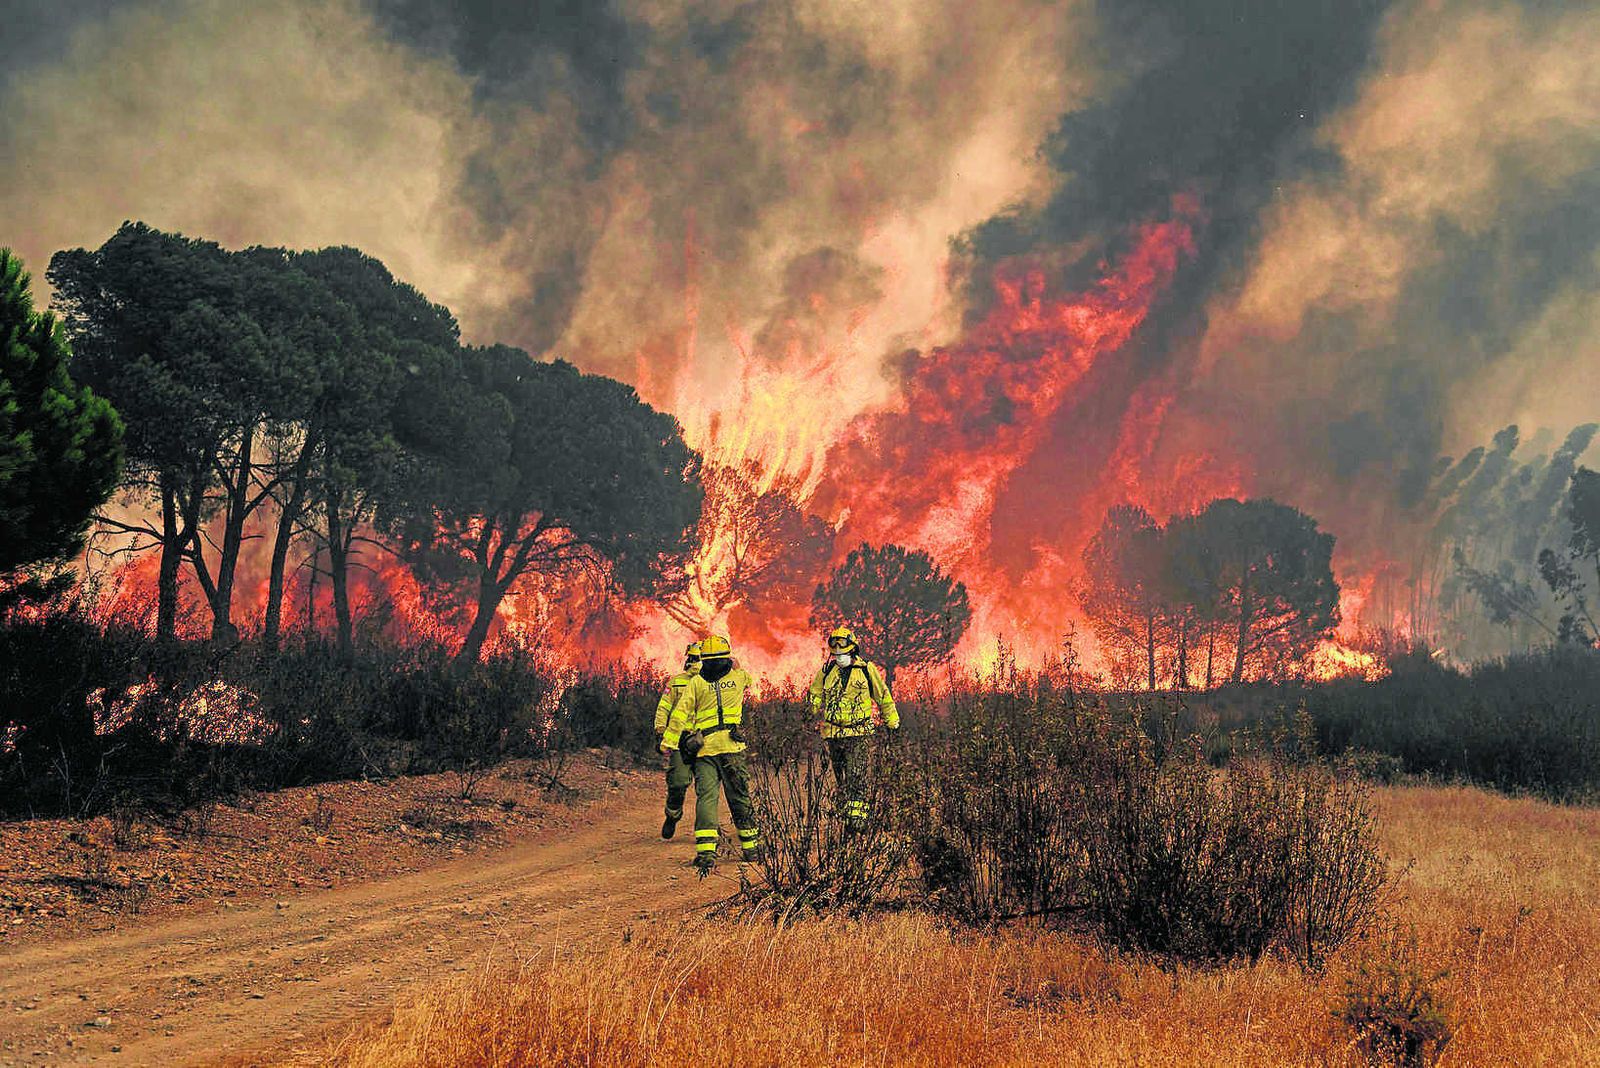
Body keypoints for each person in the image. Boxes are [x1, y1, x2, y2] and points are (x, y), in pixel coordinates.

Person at [661, 634, 761, 875]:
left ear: (703, 660)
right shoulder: (737, 678)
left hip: (705, 749)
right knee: (739, 796)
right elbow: (747, 676)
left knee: (706, 798)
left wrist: (669, 741)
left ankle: (706, 854)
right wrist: (734, 663)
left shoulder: (696, 683)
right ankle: (752, 848)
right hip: (732, 748)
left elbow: (679, 714)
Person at [807, 625, 898, 830]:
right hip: (833, 733)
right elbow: (815, 694)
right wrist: (809, 710)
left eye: (843, 648)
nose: (839, 653)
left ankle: (858, 822)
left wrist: (892, 721)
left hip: (859, 732)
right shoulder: (826, 671)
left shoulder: (866, 669)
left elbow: (883, 696)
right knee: (841, 777)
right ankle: (847, 815)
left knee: (857, 775)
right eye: (835, 648)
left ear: (853, 648)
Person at [654, 641, 702, 841]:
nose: (696, 663)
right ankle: (672, 816)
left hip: (705, 740)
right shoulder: (676, 682)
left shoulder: (713, 683)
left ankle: (705, 831)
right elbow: (664, 707)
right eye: (695, 659)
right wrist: (660, 730)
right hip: (680, 740)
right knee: (678, 782)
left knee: (706, 788)